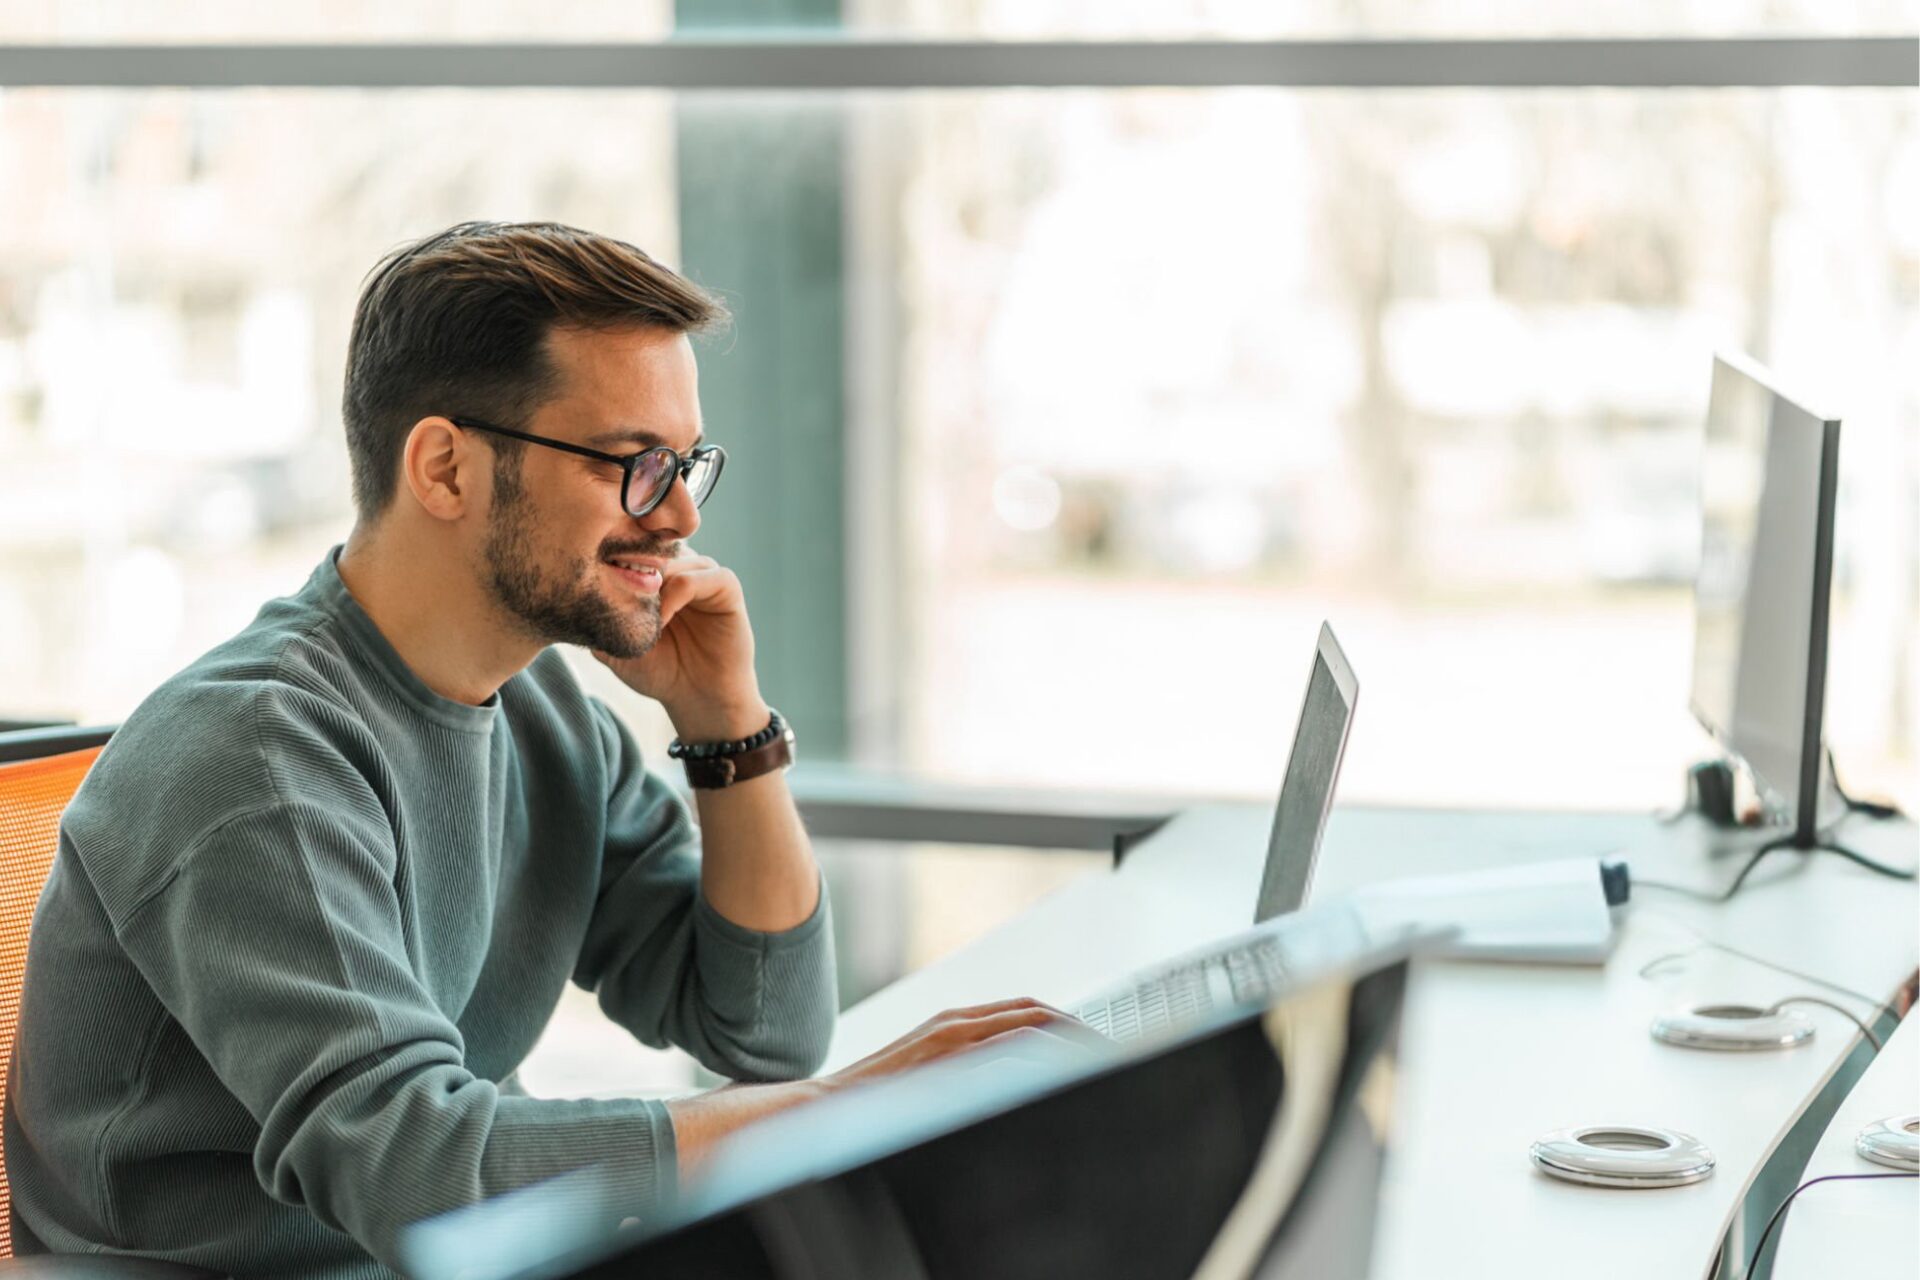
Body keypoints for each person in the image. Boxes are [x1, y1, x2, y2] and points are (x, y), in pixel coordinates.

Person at [5, 221, 1090, 1279]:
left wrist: (728, 725)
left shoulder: (542, 713)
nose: (677, 515)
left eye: (685, 463)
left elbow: (765, 1032)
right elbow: (421, 1171)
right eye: (632, 463)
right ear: (445, 469)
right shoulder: (255, 758)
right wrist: (850, 1108)